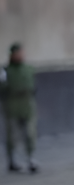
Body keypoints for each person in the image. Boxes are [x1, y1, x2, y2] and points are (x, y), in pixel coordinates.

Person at [1, 44, 38, 173]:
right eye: (18, 53)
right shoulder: (5, 71)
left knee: (30, 133)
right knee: (13, 135)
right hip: (12, 106)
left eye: (22, 53)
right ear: (12, 55)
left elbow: (33, 86)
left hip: (27, 105)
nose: (21, 55)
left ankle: (31, 159)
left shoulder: (28, 69)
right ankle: (13, 160)